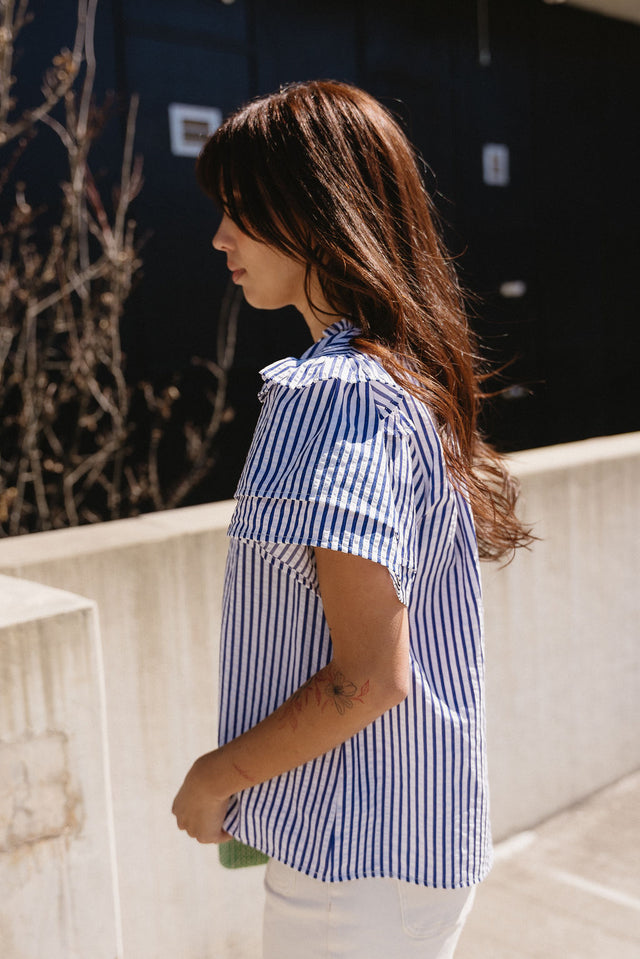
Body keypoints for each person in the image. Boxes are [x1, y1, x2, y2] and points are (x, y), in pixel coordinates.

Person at [172, 79, 532, 959]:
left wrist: (214, 778)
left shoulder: (336, 391)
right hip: (404, 841)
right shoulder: (407, 376)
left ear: (313, 211)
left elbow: (368, 677)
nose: (219, 236)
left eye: (240, 210)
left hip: (355, 861)